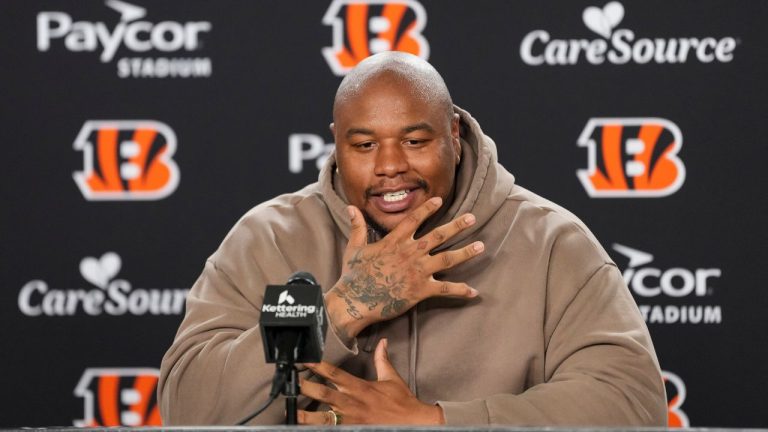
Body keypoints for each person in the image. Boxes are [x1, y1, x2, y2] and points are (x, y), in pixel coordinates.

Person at [158, 52, 667, 426]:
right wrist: (341, 309)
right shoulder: (268, 239)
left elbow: (631, 405)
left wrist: (435, 422)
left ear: (454, 135)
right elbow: (188, 410)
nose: (390, 166)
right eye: (364, 145)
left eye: (415, 140)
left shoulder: (553, 242)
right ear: (337, 143)